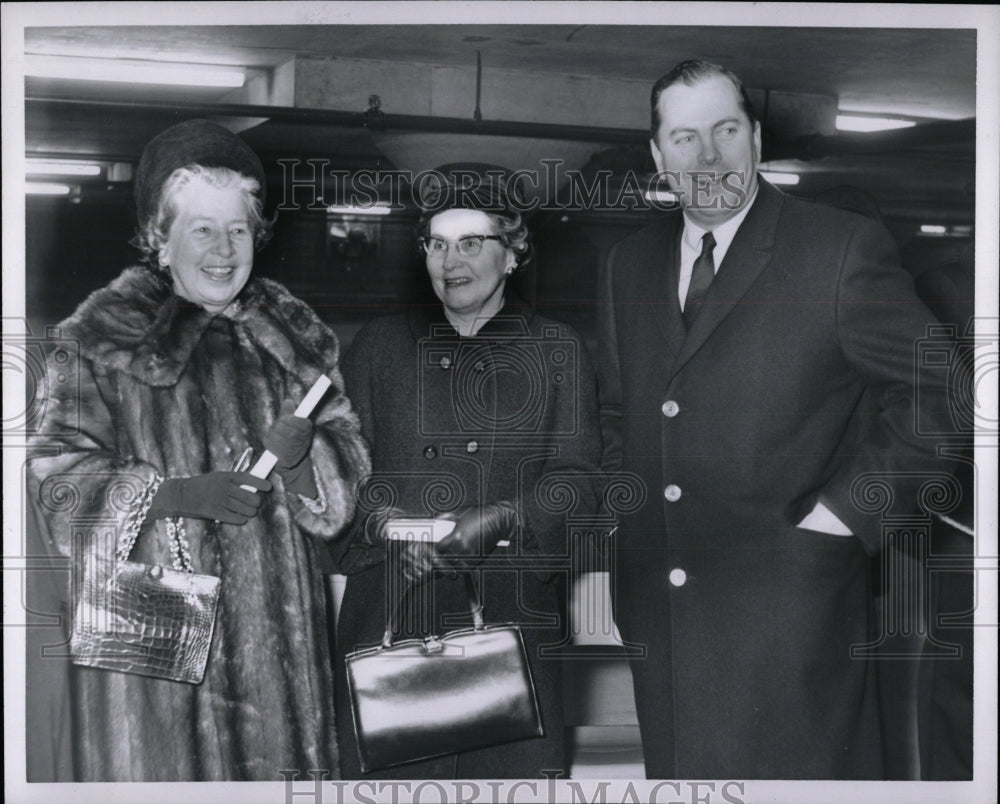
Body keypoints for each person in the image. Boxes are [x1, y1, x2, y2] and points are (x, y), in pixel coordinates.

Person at [596, 60, 955, 779]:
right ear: (658, 156)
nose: (707, 156)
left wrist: (848, 516)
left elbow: (943, 393)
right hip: (663, 623)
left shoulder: (838, 249)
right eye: (685, 136)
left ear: (756, 139)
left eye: (726, 130)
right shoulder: (626, 265)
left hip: (794, 619)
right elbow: (618, 412)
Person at [26, 119, 370, 781]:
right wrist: (175, 496)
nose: (223, 249)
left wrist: (304, 462)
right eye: (201, 229)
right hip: (156, 659)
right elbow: (57, 483)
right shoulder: (101, 336)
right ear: (161, 237)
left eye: (238, 228)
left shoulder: (294, 335)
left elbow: (345, 475)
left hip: (282, 670)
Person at [333, 164, 603, 779]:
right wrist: (385, 527)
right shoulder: (379, 345)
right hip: (390, 619)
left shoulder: (556, 349)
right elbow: (340, 469)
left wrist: (507, 516)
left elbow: (579, 478)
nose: (451, 261)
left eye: (473, 242)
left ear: (513, 253)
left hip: (512, 623)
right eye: (437, 243)